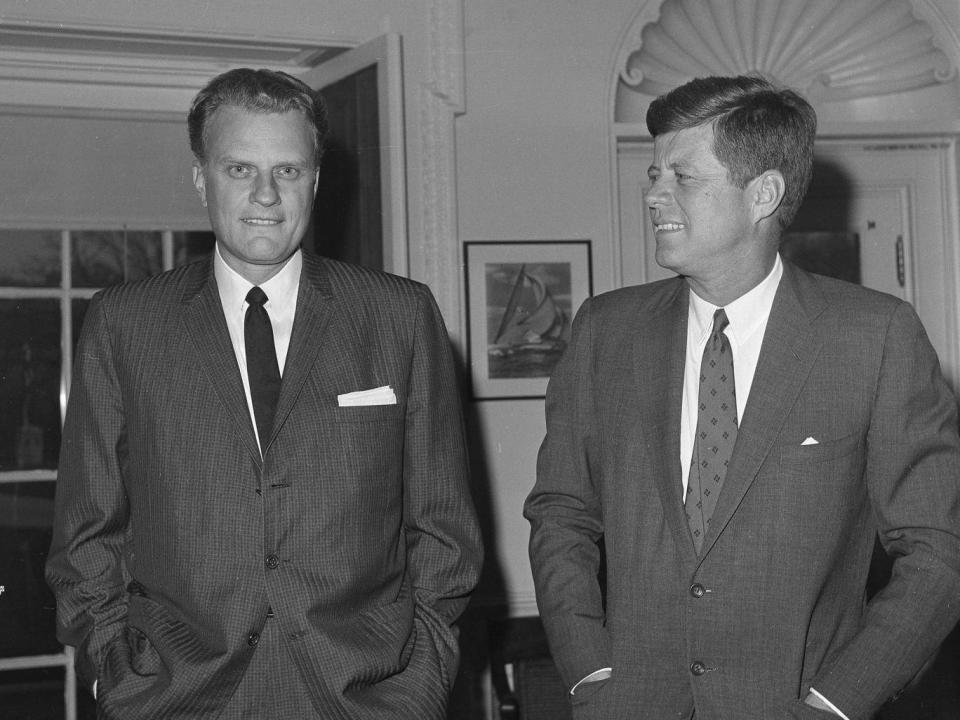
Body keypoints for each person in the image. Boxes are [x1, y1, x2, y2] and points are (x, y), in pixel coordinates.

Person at [46, 68, 482, 720]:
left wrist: (421, 681)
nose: (266, 194)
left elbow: (443, 531)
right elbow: (86, 537)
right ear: (201, 179)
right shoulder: (124, 324)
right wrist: (118, 678)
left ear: (315, 179)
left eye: (288, 170)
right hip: (177, 699)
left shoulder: (398, 317)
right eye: (240, 169)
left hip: (364, 700)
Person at [524, 74, 960, 720]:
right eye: (652, 174)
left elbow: (937, 556)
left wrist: (837, 705)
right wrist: (592, 672)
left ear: (764, 194)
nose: (653, 194)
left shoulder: (874, 338)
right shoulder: (603, 333)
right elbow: (561, 514)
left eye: (682, 176)